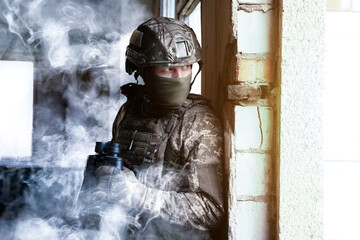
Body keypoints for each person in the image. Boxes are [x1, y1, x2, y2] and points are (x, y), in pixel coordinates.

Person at [94, 16, 225, 239]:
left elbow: (211, 209)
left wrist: (143, 197)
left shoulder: (197, 121)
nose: (179, 76)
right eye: (167, 68)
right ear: (142, 70)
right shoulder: (129, 111)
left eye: (186, 66)